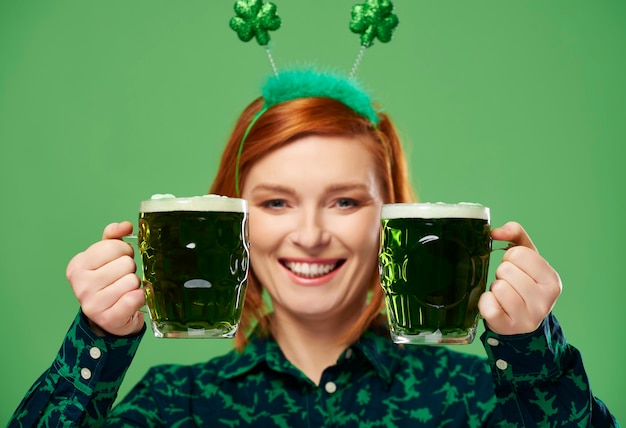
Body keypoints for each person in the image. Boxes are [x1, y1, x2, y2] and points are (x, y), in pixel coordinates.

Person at [9, 69, 619, 427]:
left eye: (345, 202)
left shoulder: (488, 401)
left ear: (394, 223)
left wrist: (532, 352)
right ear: (232, 225)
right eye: (276, 202)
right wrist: (95, 344)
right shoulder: (178, 405)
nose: (310, 234)